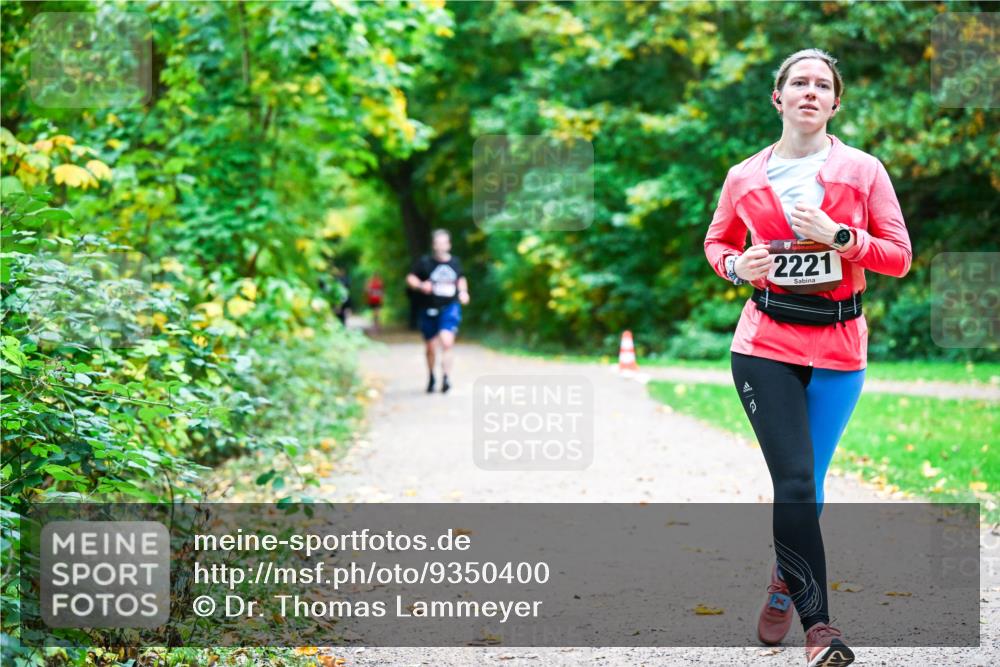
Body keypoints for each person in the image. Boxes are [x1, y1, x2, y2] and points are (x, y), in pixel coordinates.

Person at [703, 48, 911, 667]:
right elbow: (718, 242)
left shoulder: (864, 171)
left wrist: (840, 237)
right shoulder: (744, 176)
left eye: (823, 85)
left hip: (840, 344)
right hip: (765, 342)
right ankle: (821, 629)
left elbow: (899, 256)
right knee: (793, 481)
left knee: (810, 487)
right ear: (779, 97)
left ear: (835, 102)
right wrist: (738, 266)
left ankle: (781, 582)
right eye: (799, 83)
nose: (811, 92)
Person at [405, 229, 470, 393]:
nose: (441, 246)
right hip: (428, 309)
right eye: (438, 243)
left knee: (447, 342)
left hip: (449, 307)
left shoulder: (455, 263)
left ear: (449, 244)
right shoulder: (425, 263)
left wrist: (463, 292)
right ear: (434, 245)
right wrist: (421, 286)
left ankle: (446, 377)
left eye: (444, 242)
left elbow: (461, 279)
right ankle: (432, 376)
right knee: (431, 347)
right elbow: (410, 278)